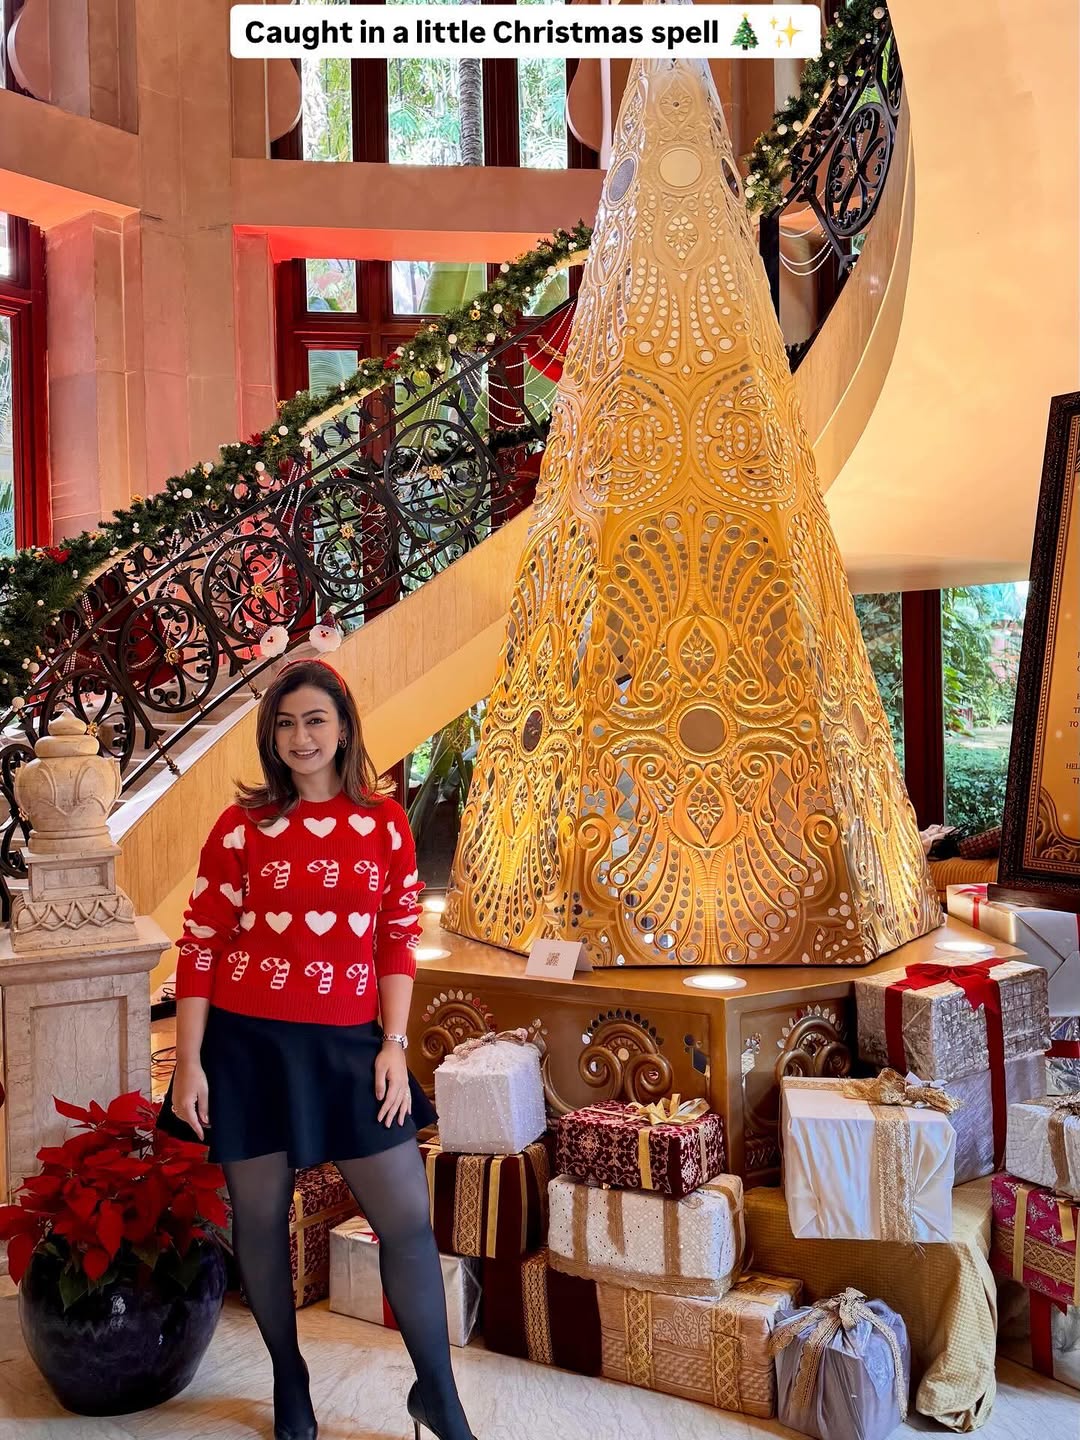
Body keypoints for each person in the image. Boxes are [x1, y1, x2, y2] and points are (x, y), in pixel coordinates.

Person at [162, 658, 476, 1440]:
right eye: (285, 723)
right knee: (260, 1222)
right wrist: (189, 1063)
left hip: (349, 1049)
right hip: (248, 1048)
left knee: (407, 1222)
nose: (300, 737)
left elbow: (397, 939)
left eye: (314, 721)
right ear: (272, 736)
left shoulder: (385, 823)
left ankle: (439, 1397)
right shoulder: (243, 826)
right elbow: (200, 945)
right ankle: (289, 1377)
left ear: (343, 729)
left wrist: (393, 1045)